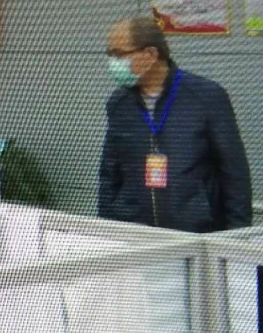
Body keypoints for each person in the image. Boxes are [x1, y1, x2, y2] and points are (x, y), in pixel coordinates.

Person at [99, 17, 252, 232]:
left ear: (151, 54)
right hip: (135, 233)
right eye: (111, 55)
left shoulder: (206, 97)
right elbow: (110, 172)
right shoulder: (119, 103)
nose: (113, 63)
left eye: (119, 54)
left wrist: (237, 235)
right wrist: (106, 230)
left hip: (196, 234)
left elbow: (234, 173)